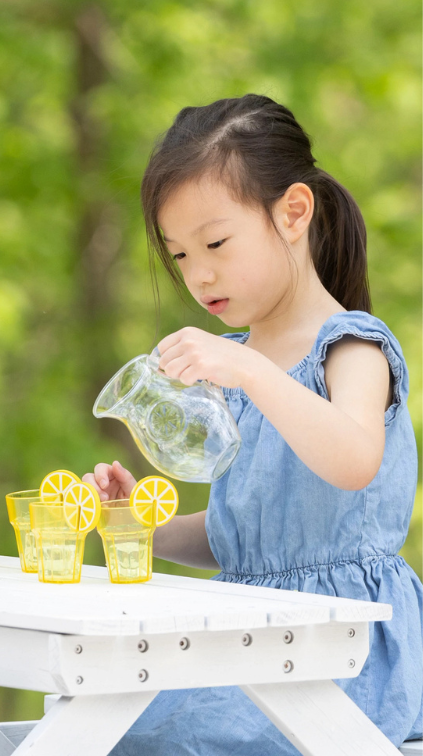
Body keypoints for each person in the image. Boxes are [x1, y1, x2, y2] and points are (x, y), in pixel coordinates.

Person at [83, 94, 423, 754]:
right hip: (245, 633)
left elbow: (354, 461)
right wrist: (136, 529)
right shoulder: (237, 362)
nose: (199, 273)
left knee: (174, 742)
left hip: (342, 649)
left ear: (293, 213)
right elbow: (241, 540)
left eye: (215, 242)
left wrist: (249, 374)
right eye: (179, 256)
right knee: (104, 721)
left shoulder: (353, 346)